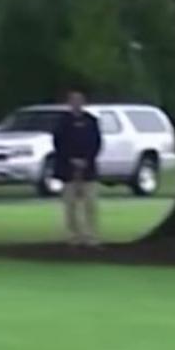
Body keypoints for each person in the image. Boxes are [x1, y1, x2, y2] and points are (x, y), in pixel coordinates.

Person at [53, 91, 102, 247]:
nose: (76, 103)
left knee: (90, 203)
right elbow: (59, 143)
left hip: (88, 169)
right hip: (68, 170)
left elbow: (96, 142)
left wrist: (86, 159)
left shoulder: (91, 121)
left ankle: (90, 235)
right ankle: (74, 235)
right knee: (70, 204)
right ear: (69, 103)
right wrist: (71, 159)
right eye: (73, 100)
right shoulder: (62, 122)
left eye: (79, 100)